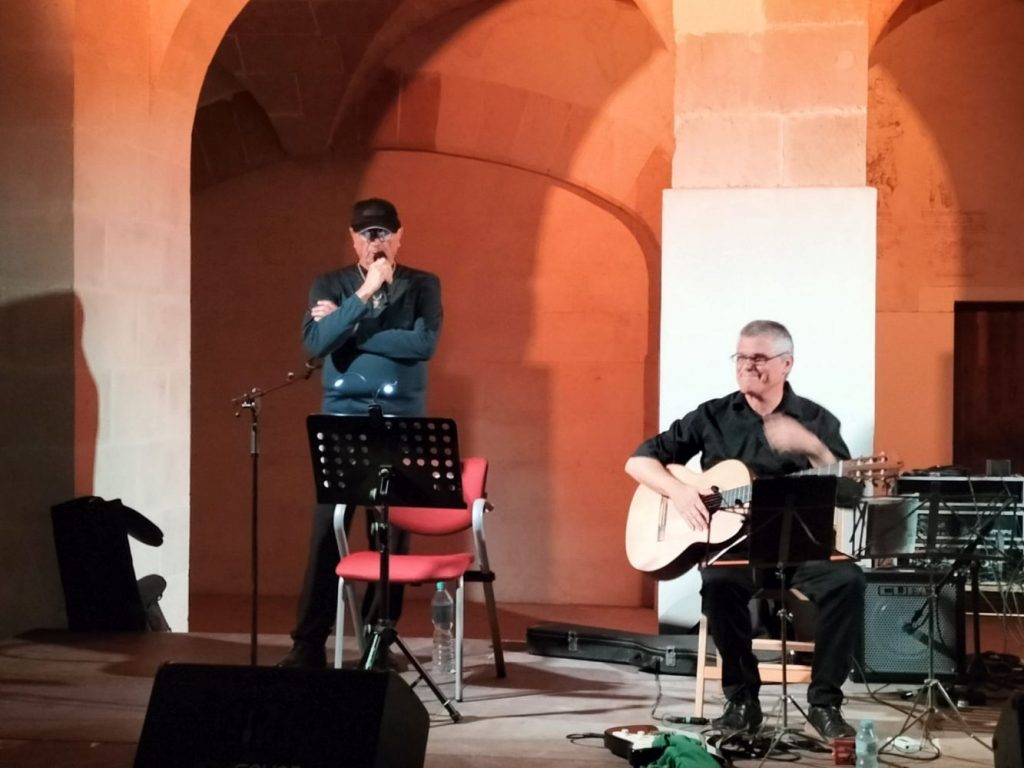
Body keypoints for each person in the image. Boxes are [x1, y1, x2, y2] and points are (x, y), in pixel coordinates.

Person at [624, 320, 864, 739]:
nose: (747, 366)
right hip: (733, 546)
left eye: (759, 358)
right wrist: (680, 492)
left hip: (800, 547)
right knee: (718, 582)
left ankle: (825, 703)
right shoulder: (713, 416)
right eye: (741, 357)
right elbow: (638, 462)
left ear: (786, 364)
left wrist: (812, 448)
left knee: (848, 580)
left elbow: (848, 493)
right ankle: (742, 701)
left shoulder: (814, 420)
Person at [279, 197, 443, 669]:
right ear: (352, 238)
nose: (377, 241)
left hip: (401, 422)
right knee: (326, 534)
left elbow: (423, 343)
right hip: (343, 422)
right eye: (367, 234)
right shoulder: (330, 283)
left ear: (400, 235)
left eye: (384, 233)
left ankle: (378, 640)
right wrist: (365, 292)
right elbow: (315, 344)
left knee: (390, 537)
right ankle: (307, 642)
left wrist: (348, 326)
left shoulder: (422, 285)